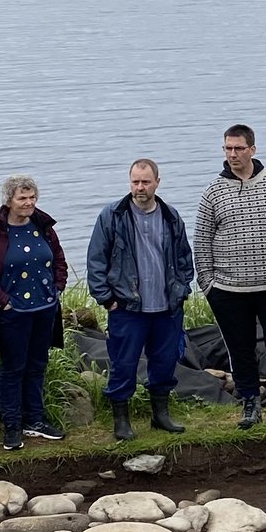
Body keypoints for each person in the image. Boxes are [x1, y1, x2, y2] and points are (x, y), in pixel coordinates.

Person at [195, 124, 266, 430]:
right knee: (239, 346)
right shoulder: (213, 192)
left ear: (252, 150)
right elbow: (202, 241)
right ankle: (250, 402)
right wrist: (209, 285)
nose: (232, 154)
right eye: (227, 149)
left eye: (238, 148)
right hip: (228, 289)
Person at [86, 158, 194, 440]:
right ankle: (121, 422)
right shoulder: (112, 216)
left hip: (166, 308)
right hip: (127, 308)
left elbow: (184, 258)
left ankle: (161, 416)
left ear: (157, 182)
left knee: (165, 361)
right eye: (135, 181)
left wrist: (181, 291)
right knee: (123, 364)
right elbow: (96, 261)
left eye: (145, 182)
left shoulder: (171, 216)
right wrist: (106, 299)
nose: (140, 187)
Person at [0, 174, 69, 452]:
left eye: (31, 197)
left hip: (44, 310)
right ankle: (12, 426)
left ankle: (35, 421)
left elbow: (59, 261)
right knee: (13, 369)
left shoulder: (44, 227)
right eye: (22, 198)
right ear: (9, 201)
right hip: (12, 313)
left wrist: (57, 288)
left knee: (37, 366)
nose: (28, 203)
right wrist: (3, 302)